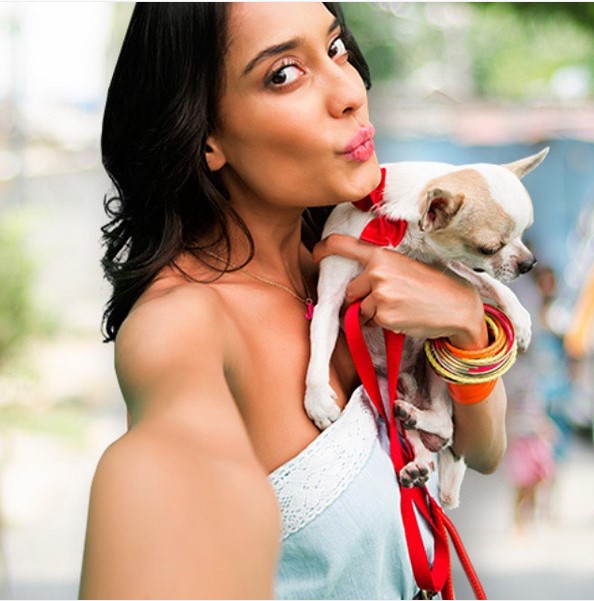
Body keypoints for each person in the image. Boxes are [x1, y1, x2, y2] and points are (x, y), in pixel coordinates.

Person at [78, 3, 507, 599]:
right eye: (283, 73)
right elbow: (148, 480)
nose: (349, 92)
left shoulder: (369, 257)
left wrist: (466, 322)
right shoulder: (183, 324)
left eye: (334, 48)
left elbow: (482, 451)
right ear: (205, 137)